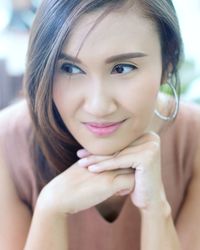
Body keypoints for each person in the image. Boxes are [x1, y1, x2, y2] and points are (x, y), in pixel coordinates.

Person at [0, 0, 200, 249]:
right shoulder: (7, 142)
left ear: (167, 62)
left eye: (122, 68)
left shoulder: (194, 139)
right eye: (71, 68)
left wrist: (157, 209)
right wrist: (50, 210)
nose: (98, 106)